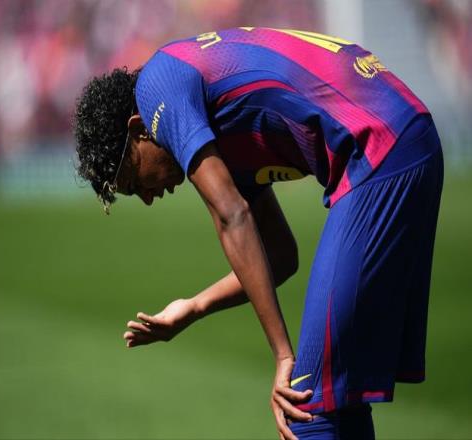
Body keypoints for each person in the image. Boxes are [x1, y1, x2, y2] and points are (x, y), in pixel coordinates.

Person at [73, 27, 443, 440]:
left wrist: (283, 356)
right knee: (337, 398)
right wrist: (194, 307)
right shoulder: (218, 125)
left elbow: (232, 214)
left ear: (140, 129)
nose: (146, 198)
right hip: (403, 137)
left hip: (378, 148)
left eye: (133, 181)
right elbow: (280, 255)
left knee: (305, 404)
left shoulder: (157, 86)